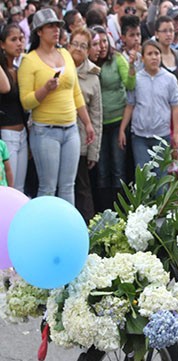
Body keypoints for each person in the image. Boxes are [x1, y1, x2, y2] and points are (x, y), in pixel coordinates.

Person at [18, 8, 95, 205]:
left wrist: (87, 123)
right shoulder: (29, 60)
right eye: (50, 26)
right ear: (39, 32)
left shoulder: (65, 54)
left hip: (71, 129)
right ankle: (45, 232)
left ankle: (66, 232)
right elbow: (26, 102)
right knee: (48, 187)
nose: (56, 30)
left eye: (58, 26)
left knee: (69, 186)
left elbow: (76, 92)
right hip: (45, 131)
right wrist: (45, 89)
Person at [118, 39, 178, 173]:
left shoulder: (170, 79)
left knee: (160, 179)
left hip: (162, 136)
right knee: (143, 177)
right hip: (140, 137)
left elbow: (175, 107)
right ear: (143, 57)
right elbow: (130, 105)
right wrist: (122, 129)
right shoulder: (137, 79)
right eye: (150, 54)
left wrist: (176, 133)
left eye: (157, 53)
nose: (154, 57)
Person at [91, 24, 136, 211]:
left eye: (104, 41)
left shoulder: (117, 59)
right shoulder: (90, 63)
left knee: (118, 168)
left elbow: (130, 84)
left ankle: (120, 211)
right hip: (97, 125)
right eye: (97, 42)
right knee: (101, 170)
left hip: (118, 122)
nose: (101, 46)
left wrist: (132, 66)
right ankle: (103, 211)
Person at [68, 27, 103, 223]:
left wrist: (93, 151)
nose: (78, 49)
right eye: (75, 44)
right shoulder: (59, 66)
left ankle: (87, 229)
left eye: (83, 46)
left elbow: (96, 116)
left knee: (82, 187)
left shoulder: (93, 76)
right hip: (58, 135)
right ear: (68, 44)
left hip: (81, 140)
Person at [0, 23, 28, 193]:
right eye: (13, 40)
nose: (19, 43)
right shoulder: (3, 70)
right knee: (10, 190)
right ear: (2, 44)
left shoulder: (20, 68)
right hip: (7, 134)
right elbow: (5, 88)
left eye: (21, 39)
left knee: (20, 188)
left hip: (23, 133)